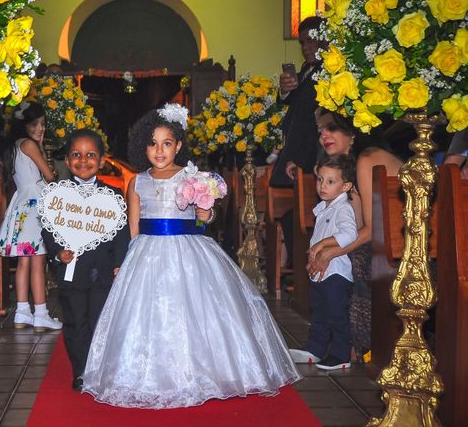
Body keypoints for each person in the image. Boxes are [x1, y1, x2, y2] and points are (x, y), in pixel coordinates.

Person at [82, 105, 301, 409]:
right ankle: (147, 374)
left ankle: (201, 371)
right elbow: (132, 227)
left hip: (188, 251)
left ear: (179, 146)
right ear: (143, 145)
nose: (160, 151)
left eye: (167, 143)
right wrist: (126, 261)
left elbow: (204, 218)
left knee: (194, 313)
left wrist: (205, 211)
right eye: (153, 143)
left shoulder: (191, 176)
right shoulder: (137, 182)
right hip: (146, 254)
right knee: (146, 316)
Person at [309, 108, 403, 361]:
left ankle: (358, 343)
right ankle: (342, 342)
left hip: (410, 246)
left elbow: (372, 231)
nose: (324, 136)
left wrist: (331, 252)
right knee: (344, 259)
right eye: (320, 131)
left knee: (351, 259)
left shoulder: (367, 158)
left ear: (352, 131)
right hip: (388, 240)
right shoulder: (348, 167)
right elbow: (359, 224)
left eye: (331, 128)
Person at [42, 128, 130, 392]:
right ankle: (80, 371)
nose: (83, 160)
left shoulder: (114, 196)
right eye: (76, 155)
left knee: (99, 321)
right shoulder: (57, 197)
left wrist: (120, 262)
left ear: (102, 160)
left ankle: (99, 367)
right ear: (67, 161)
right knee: (75, 322)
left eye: (91, 155)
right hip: (72, 273)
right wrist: (58, 253)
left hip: (103, 273)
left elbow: (122, 234)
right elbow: (48, 231)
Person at [0, 101, 62, 332]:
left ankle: (22, 311)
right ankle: (41, 313)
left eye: (43, 124)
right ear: (23, 124)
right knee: (38, 260)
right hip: (36, 204)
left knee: (24, 261)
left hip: (21, 204)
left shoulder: (14, 146)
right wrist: (43, 150)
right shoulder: (30, 146)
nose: (40, 129)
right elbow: (48, 176)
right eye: (34, 124)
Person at [289, 154, 358, 370]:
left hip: (336, 274)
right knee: (319, 312)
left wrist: (321, 246)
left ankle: (341, 355)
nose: (322, 186)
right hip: (321, 273)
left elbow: (350, 234)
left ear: (345, 185)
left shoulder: (343, 208)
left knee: (336, 314)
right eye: (320, 180)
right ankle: (315, 350)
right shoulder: (325, 207)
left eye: (330, 181)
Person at [270, 16, 327, 265]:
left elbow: (313, 121)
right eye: (302, 42)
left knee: (305, 215)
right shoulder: (305, 70)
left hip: (314, 154)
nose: (306, 47)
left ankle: (305, 267)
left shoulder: (331, 72)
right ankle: (300, 267)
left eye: (311, 41)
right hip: (297, 153)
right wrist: (283, 91)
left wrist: (300, 160)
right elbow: (292, 106)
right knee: (294, 214)